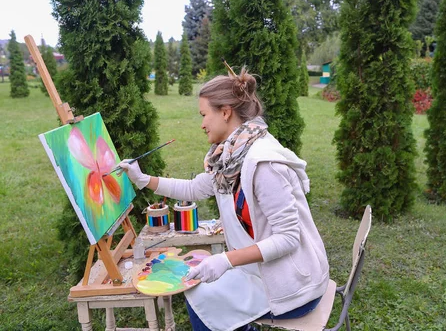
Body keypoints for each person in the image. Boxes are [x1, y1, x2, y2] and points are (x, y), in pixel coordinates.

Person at [119, 68, 330, 331]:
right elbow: (195, 188)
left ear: (226, 112)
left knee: (202, 295)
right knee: (198, 289)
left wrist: (226, 260)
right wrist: (143, 179)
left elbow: (288, 239)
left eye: (204, 114)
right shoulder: (230, 158)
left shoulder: (262, 163)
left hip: (293, 287)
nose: (202, 124)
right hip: (260, 273)